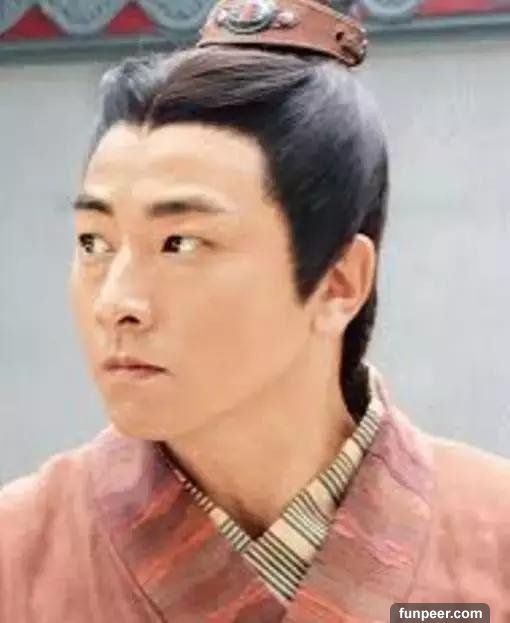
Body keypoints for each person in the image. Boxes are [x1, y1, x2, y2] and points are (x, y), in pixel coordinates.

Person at [1, 0, 509, 621]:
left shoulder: (496, 534)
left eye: (180, 243)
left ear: (339, 281)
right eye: (93, 243)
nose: (115, 304)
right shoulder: (17, 553)